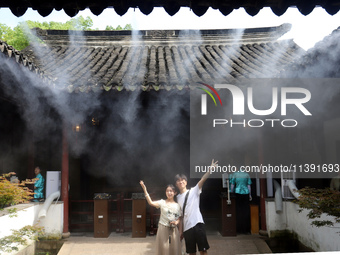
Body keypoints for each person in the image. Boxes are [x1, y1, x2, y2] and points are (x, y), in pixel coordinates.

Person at [175, 159, 218, 255]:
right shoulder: (177, 198)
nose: (181, 182)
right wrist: (180, 231)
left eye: (182, 180)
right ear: (176, 184)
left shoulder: (194, 191)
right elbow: (180, 216)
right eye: (178, 181)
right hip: (187, 228)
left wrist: (210, 170)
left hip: (197, 224)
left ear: (186, 182)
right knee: (191, 252)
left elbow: (203, 179)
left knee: (203, 250)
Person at [140, 180, 182, 255]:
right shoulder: (162, 202)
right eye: (167, 191)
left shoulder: (177, 205)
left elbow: (179, 218)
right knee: (163, 249)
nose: (169, 193)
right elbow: (151, 202)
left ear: (175, 193)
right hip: (163, 228)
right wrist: (145, 190)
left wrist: (176, 222)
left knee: (173, 249)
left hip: (174, 230)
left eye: (171, 191)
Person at [230, 168, 252, 234]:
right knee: (245, 211)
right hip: (245, 193)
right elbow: (249, 186)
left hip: (237, 193)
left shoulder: (235, 174)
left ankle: (238, 229)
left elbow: (232, 185)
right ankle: (246, 230)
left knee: (238, 211)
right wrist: (250, 195)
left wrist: (231, 193)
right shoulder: (247, 174)